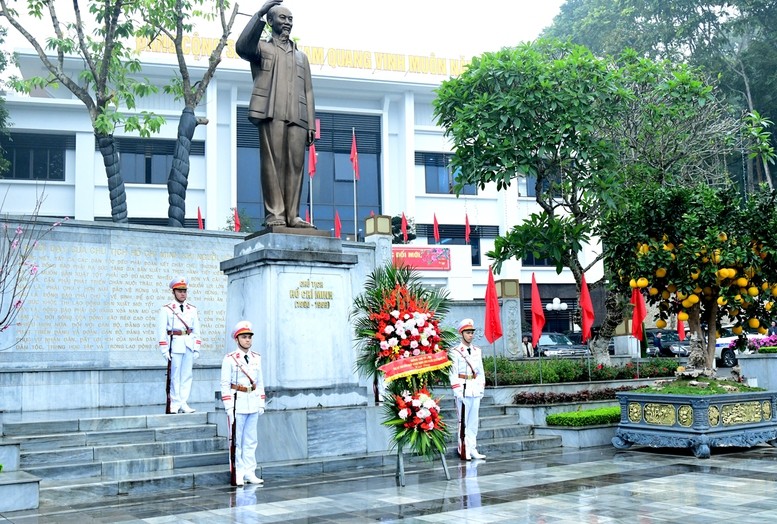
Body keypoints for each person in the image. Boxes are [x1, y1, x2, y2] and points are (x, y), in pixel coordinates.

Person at [236, 0, 316, 229]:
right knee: (273, 163)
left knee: (296, 165)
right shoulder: (262, 48)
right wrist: (259, 13)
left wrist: (311, 123)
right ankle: (275, 215)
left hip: (297, 116)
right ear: (270, 21)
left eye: (290, 19)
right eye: (283, 18)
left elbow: (309, 90)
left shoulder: (302, 57)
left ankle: (293, 215)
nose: (288, 22)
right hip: (271, 112)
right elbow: (242, 46)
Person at [221, 320, 266, 486]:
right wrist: (228, 407)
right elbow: (225, 384)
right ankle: (238, 472)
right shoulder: (230, 359)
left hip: (252, 402)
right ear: (237, 339)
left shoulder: (256, 358)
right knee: (237, 440)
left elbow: (259, 382)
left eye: (249, 337)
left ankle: (249, 471)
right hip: (237, 402)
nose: (247, 340)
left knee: (251, 440)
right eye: (244, 337)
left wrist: (261, 401)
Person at [158, 277, 201, 414]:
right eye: (180, 291)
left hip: (188, 344)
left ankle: (183, 402)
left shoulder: (192, 309)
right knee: (175, 375)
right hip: (175, 345)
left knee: (187, 375)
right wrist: (164, 350)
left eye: (184, 291)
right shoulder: (167, 309)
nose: (183, 294)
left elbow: (196, 330)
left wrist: (196, 348)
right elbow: (161, 332)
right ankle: (175, 403)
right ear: (174, 292)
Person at [450, 318, 486, 460]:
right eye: (468, 333)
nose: (470, 335)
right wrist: (457, 392)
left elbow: (481, 371)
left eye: (472, 332)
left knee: (473, 422)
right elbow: (452, 373)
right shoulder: (455, 352)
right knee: (463, 421)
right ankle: (463, 448)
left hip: (474, 389)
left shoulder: (477, 351)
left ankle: (472, 449)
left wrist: (481, 388)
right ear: (462, 334)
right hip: (463, 389)